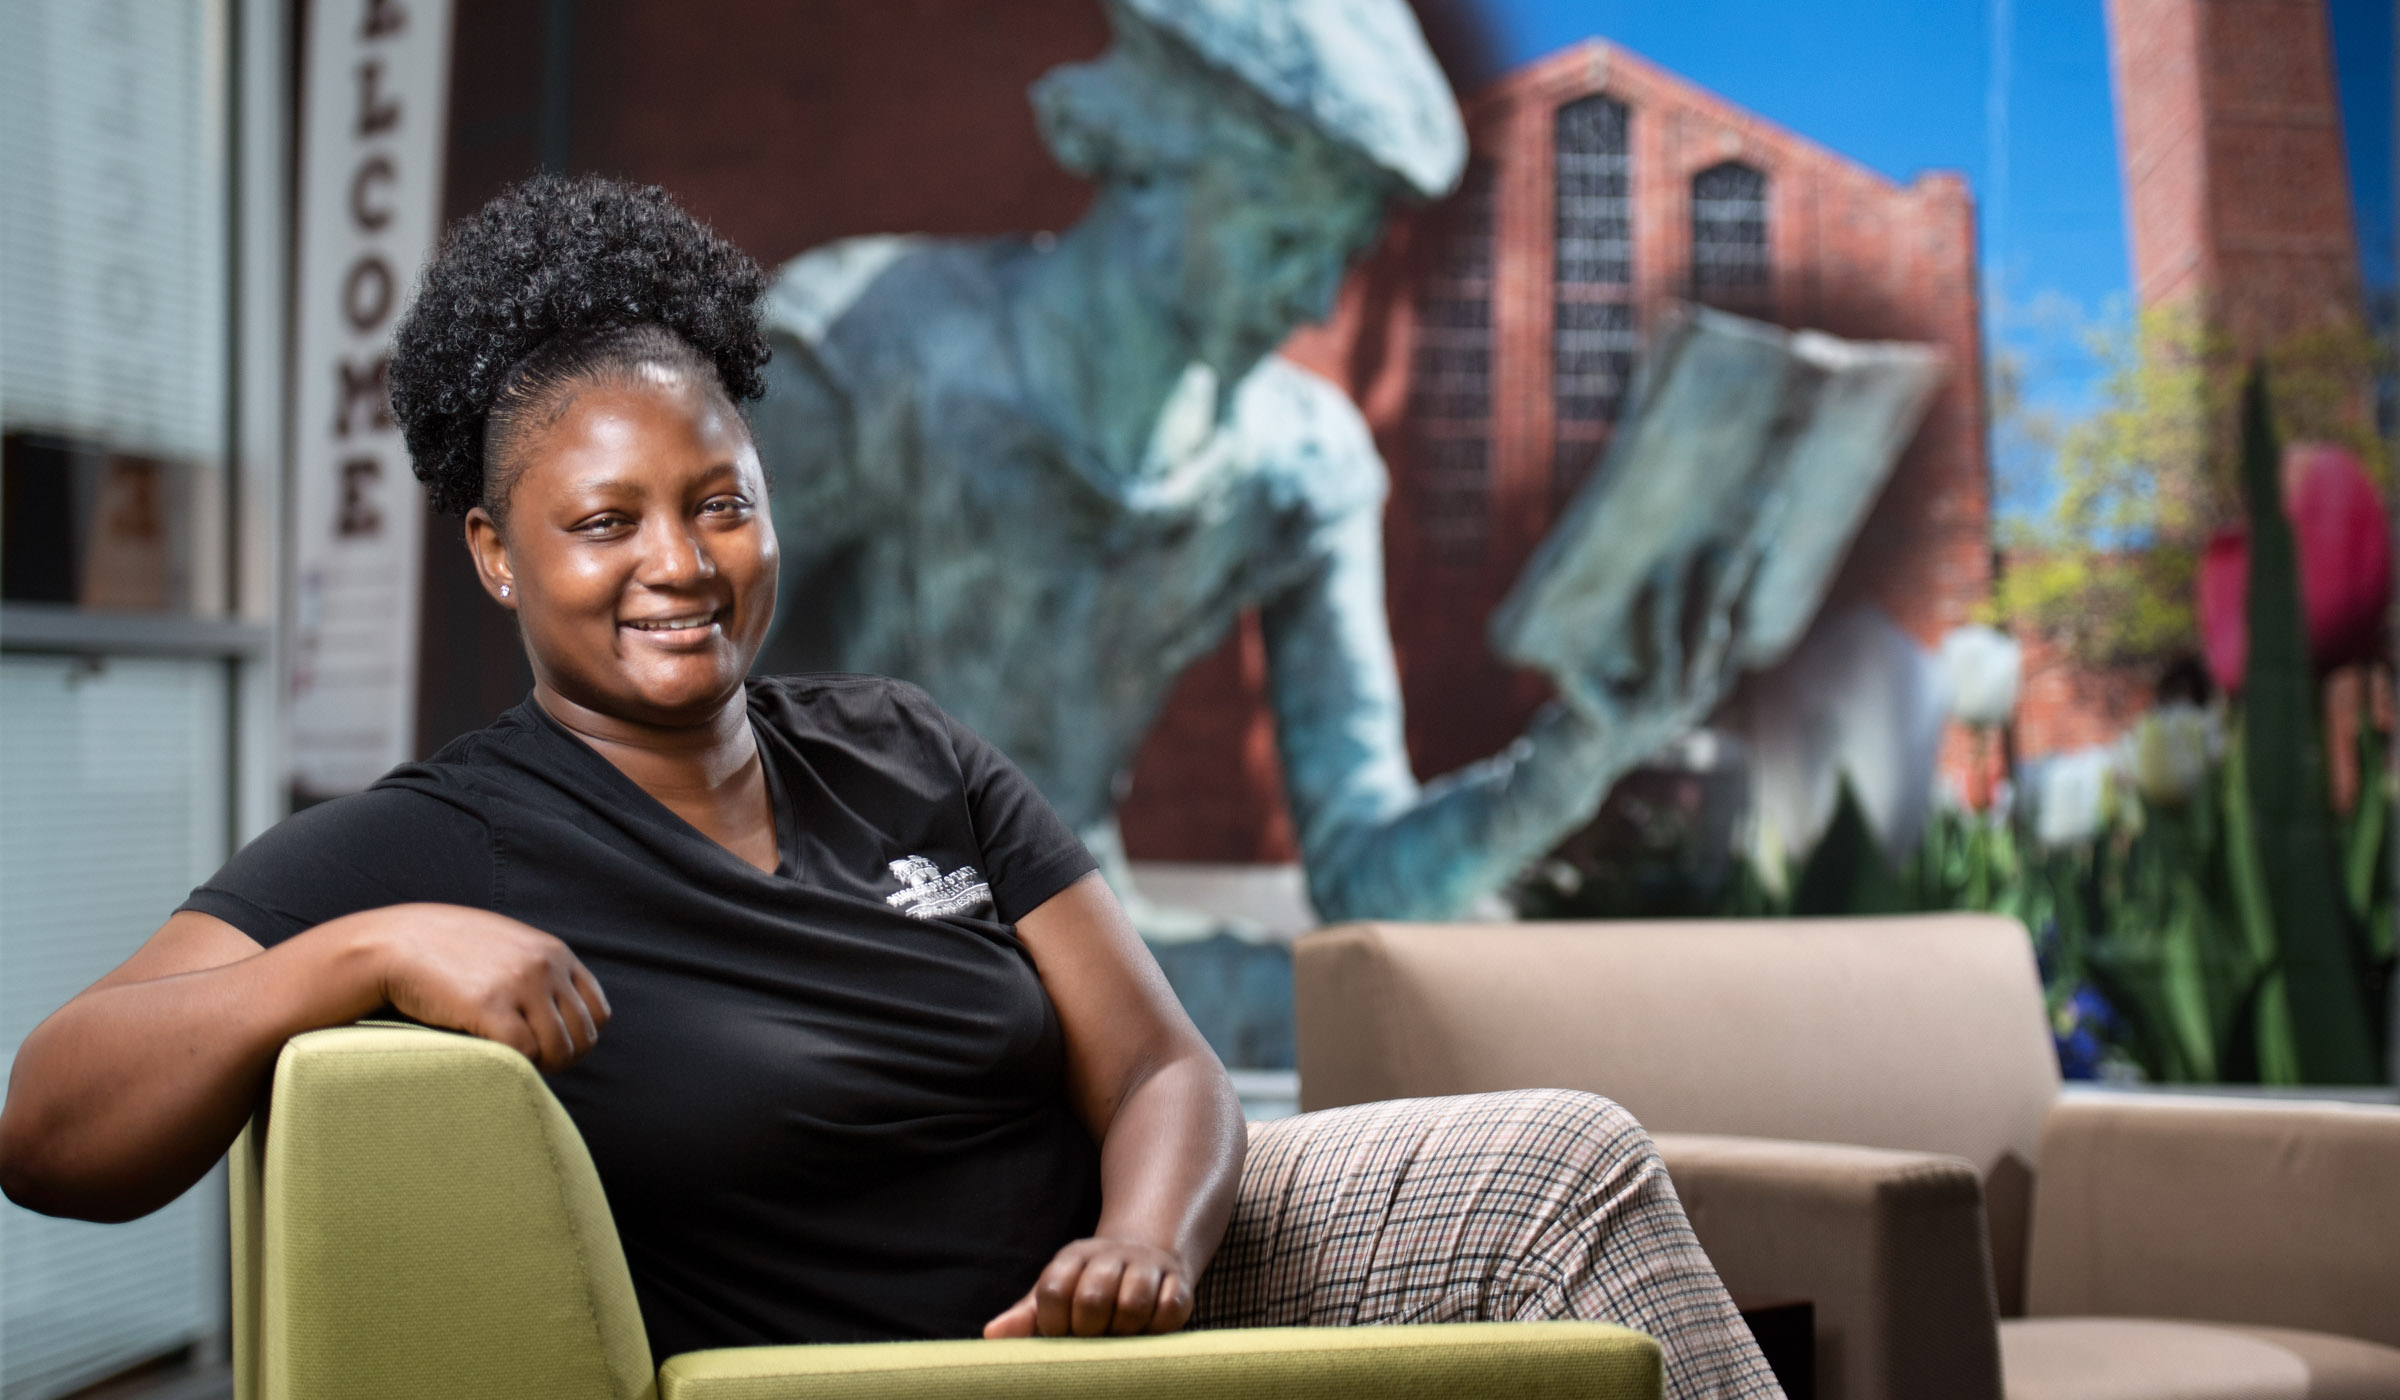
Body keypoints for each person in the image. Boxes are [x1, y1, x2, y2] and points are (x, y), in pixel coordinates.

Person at [0, 177, 1778, 1398]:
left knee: (1566, 1167)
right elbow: (52, 1125)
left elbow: (1157, 1062)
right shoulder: (441, 839)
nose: (678, 563)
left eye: (718, 500)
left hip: (1126, 1298)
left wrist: (1146, 1240)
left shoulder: (907, 750)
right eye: (602, 523)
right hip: (906, 1369)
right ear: (493, 555)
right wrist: (362, 950)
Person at [750, 0, 1756, 930]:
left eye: (1341, 255)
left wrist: (1579, 754)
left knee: (1431, 1003)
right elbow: (651, 703)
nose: (1316, 302)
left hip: (1085, 942)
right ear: (1157, 160)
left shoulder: (1298, 467)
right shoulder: (867, 352)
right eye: (1285, 239)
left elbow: (1364, 880)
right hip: (836, 924)